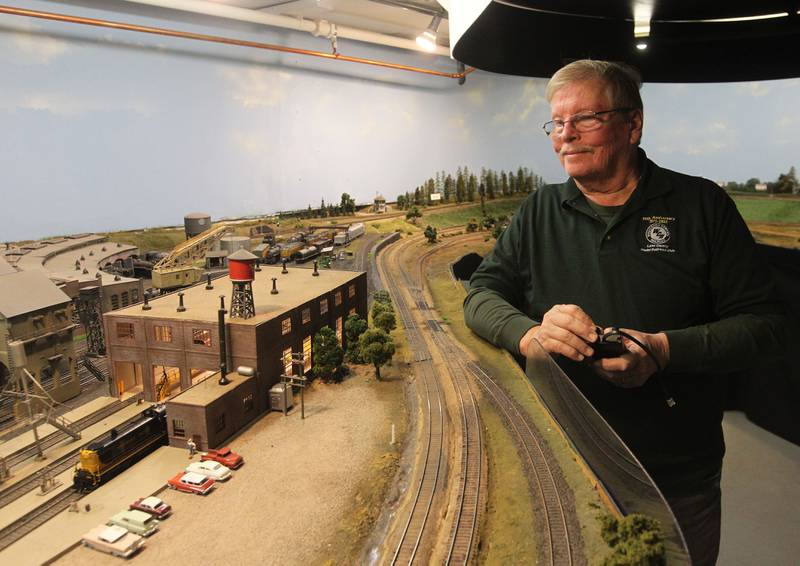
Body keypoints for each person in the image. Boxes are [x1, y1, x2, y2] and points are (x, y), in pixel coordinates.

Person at [463, 59, 787, 566]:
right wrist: (528, 335)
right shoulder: (538, 211)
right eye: (556, 123)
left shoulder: (702, 205)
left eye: (584, 119)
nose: (565, 136)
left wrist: (662, 350)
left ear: (632, 124)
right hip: (563, 459)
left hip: (675, 474)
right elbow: (481, 294)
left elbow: (765, 325)